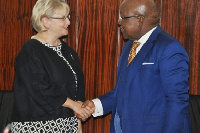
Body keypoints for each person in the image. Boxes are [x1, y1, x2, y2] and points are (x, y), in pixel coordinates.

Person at [78, 0, 192, 132]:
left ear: (139, 19)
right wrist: (96, 105)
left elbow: (177, 101)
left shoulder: (169, 48)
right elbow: (123, 89)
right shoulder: (129, 46)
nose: (119, 22)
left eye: (123, 17)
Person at [11, 0, 91, 132]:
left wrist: (78, 122)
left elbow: (76, 90)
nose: (69, 22)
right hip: (37, 126)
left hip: (68, 125)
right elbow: (40, 89)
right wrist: (74, 105)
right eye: (63, 18)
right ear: (45, 21)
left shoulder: (68, 52)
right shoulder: (30, 51)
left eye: (68, 17)